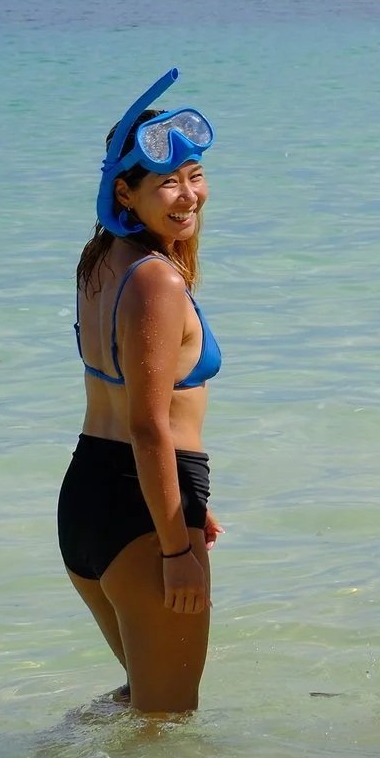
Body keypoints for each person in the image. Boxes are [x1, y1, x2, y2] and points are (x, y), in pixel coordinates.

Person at [60, 69, 223, 716]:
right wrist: (176, 544)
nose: (188, 195)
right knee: (169, 727)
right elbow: (151, 426)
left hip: (91, 498)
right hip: (140, 510)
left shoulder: (101, 259)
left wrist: (181, 504)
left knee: (142, 704)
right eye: (166, 182)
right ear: (123, 192)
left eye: (195, 175)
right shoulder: (157, 281)